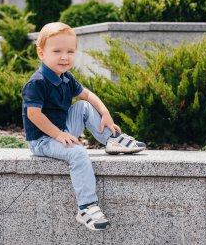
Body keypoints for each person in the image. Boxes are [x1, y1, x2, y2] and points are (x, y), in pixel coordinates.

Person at [21, 22, 146, 231]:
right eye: (57, 51)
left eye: (70, 51)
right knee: (78, 153)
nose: (65, 57)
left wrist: (105, 113)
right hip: (42, 140)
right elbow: (34, 115)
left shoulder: (66, 77)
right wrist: (58, 135)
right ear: (41, 53)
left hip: (61, 132)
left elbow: (87, 94)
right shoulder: (37, 82)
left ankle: (111, 140)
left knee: (84, 106)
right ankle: (86, 207)